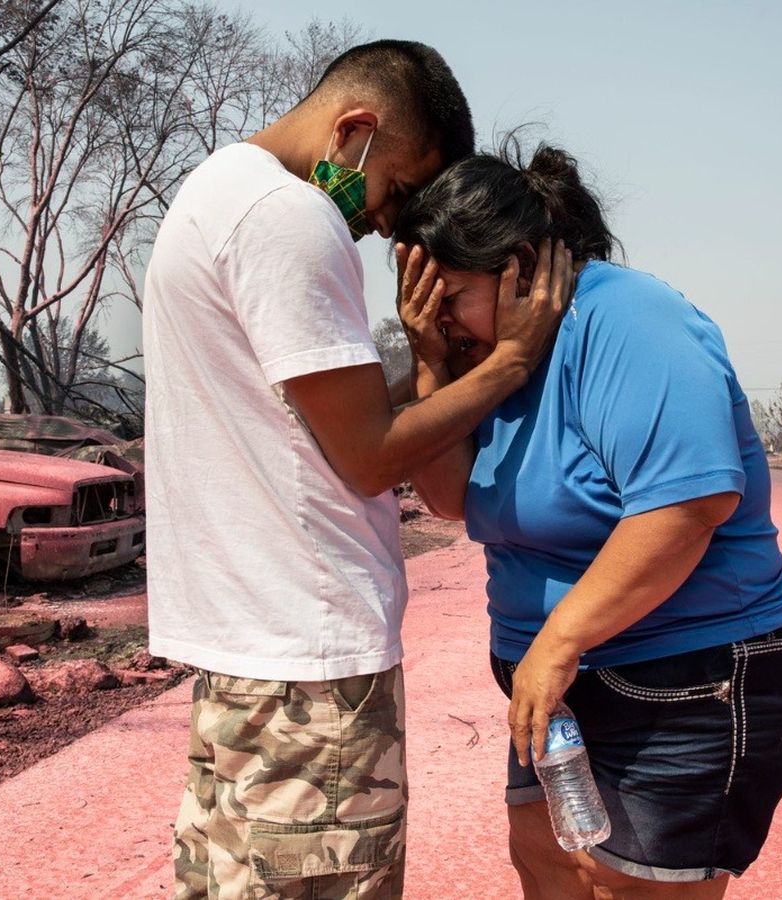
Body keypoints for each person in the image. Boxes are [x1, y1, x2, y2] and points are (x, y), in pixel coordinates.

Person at [143, 42, 570, 898]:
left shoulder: (215, 191)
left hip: (248, 653)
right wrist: (511, 361)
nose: (385, 224)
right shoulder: (288, 217)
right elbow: (371, 456)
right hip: (311, 662)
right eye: (399, 190)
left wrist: (428, 361)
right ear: (355, 130)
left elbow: (317, 421)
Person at [394, 140, 782, 898]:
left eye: (449, 294)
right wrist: (431, 360)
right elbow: (455, 498)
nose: (437, 316)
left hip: (689, 674)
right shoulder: (496, 358)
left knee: (625, 887)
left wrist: (559, 641)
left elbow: (685, 506)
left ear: (519, 266)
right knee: (547, 862)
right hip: (559, 685)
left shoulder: (629, 318)